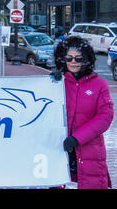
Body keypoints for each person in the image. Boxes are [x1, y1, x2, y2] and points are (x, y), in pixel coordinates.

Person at [51, 36, 114, 189]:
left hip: (88, 149)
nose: (73, 61)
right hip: (60, 148)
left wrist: (77, 138)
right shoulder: (57, 83)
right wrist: (51, 83)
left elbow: (105, 117)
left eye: (78, 58)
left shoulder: (99, 84)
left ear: (86, 59)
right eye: (69, 58)